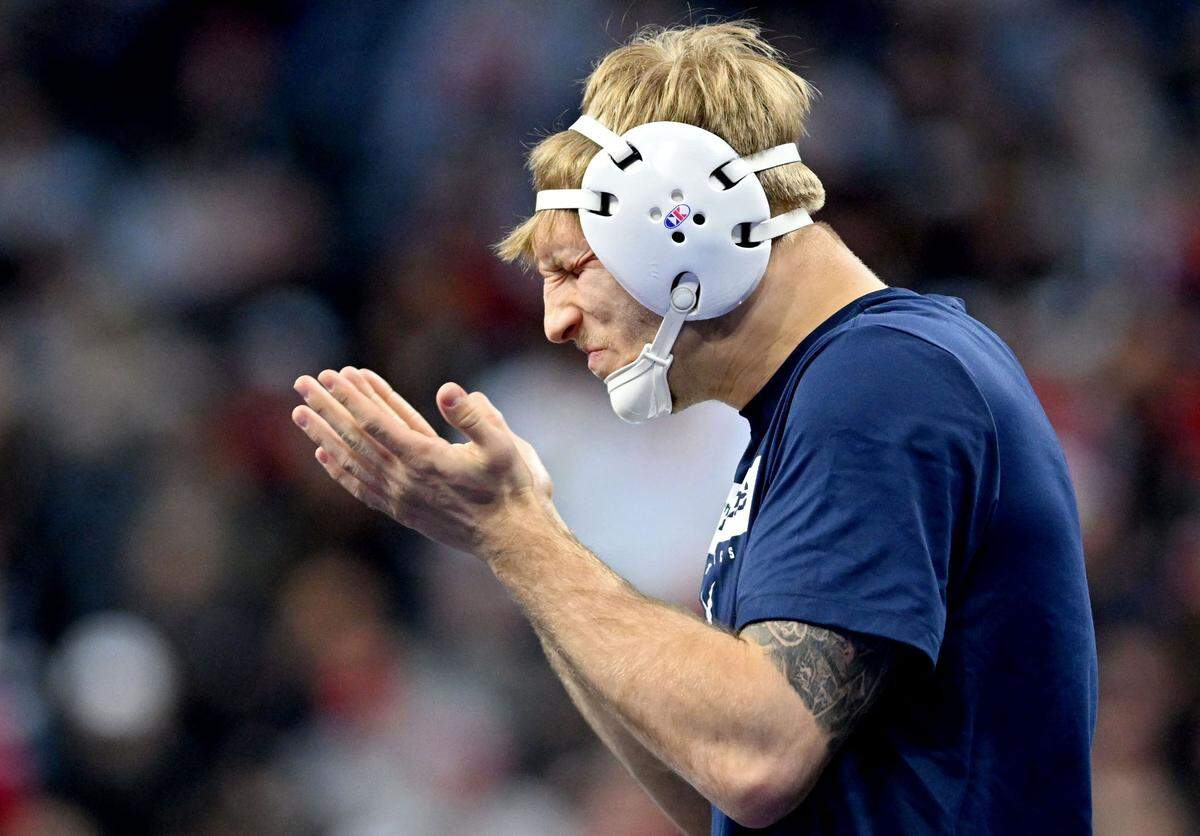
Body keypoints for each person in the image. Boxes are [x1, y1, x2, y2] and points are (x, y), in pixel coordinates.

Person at [289, 22, 1098, 834]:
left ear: (684, 221)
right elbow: (713, 787)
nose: (555, 321)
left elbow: (758, 759)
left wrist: (517, 535)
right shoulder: (831, 398)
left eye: (570, 268)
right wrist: (518, 543)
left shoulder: (881, 383)